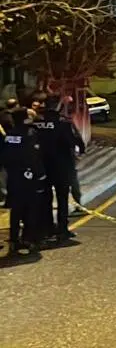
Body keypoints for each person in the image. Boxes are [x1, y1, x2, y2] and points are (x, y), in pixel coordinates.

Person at [2, 103, 48, 255]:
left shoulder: (9, 135)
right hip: (28, 177)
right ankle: (29, 239)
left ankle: (14, 239)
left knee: (15, 210)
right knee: (30, 209)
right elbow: (34, 156)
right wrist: (40, 174)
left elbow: (5, 157)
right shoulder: (30, 134)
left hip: (13, 177)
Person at [33, 93, 80, 242]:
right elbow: (72, 143)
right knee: (62, 200)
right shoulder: (63, 125)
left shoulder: (36, 125)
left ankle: (48, 228)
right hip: (61, 169)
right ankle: (62, 229)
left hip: (42, 169)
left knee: (45, 200)